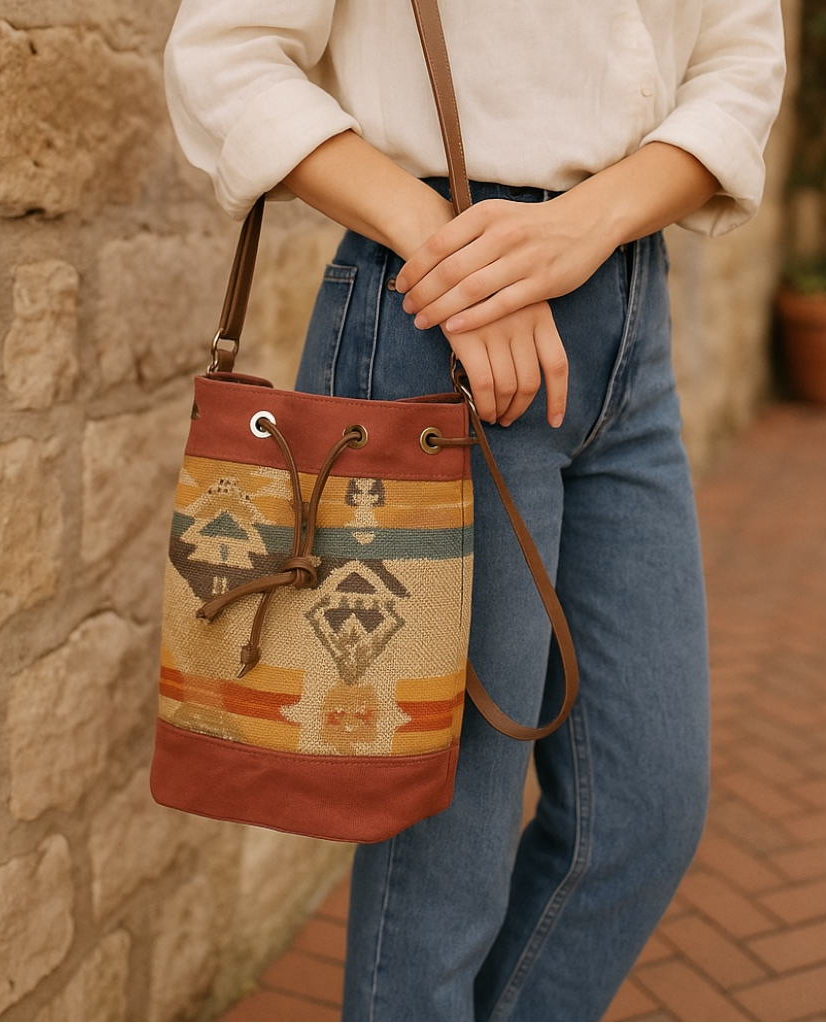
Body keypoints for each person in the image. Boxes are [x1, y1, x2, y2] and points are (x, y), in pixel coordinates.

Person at [164, 3, 787, 1020]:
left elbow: (739, 56)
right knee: (443, 862)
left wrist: (594, 218)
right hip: (435, 315)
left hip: (625, 305)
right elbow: (225, 54)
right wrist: (448, 249)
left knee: (642, 813)